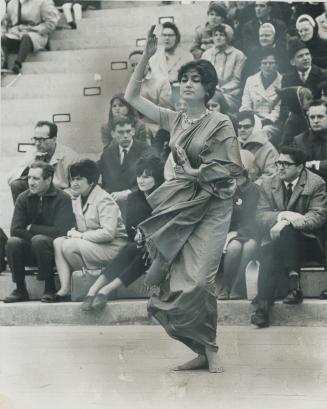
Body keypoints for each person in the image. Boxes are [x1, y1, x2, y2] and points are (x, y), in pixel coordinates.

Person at [124, 26, 243, 373]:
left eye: (196, 80)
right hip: (180, 206)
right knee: (172, 283)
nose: (188, 84)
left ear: (208, 88)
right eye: (184, 79)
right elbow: (131, 97)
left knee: (202, 280)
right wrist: (146, 55)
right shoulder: (174, 118)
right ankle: (200, 349)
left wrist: (199, 173)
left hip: (213, 204)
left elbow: (233, 169)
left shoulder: (221, 122)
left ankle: (211, 346)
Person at [251, 146, 327, 328]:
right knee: (273, 249)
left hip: (307, 243)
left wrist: (286, 222)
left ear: (300, 167)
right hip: (278, 242)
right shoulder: (269, 183)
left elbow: (319, 216)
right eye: (278, 162)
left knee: (285, 236)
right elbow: (260, 215)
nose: (280, 167)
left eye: (286, 164)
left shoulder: (316, 183)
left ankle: (262, 307)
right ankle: (293, 287)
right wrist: (283, 215)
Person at [81, 156, 164, 311]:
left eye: (146, 176)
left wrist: (150, 238)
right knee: (130, 249)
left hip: (163, 245)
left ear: (157, 178)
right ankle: (93, 290)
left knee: (146, 253)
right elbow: (131, 227)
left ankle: (106, 290)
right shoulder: (134, 197)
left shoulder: (165, 197)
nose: (141, 180)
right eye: (139, 176)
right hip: (140, 243)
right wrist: (138, 234)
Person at [52, 159, 128, 302]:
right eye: (72, 179)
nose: (74, 183)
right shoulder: (79, 198)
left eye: (79, 179)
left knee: (69, 246)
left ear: (91, 181)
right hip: (93, 244)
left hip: (112, 247)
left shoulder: (104, 199)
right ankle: (65, 288)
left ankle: (89, 284)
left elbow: (108, 234)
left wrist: (80, 236)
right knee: (58, 242)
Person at [3, 162, 75, 303]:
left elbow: (62, 231)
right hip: (31, 250)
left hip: (53, 252)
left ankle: (49, 287)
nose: (31, 182)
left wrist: (32, 228)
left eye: (36, 179)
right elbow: (15, 230)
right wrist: (36, 236)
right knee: (12, 242)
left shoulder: (63, 198)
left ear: (48, 180)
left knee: (40, 240)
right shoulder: (23, 198)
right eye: (29, 178)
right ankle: (20, 289)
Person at [218, 150, 260, 300]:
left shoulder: (253, 189)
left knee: (250, 246)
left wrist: (238, 233)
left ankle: (237, 286)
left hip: (249, 232)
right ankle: (226, 285)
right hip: (225, 233)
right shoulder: (223, 188)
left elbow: (255, 218)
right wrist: (228, 234)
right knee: (234, 247)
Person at [7, 120, 79, 203]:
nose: (37, 143)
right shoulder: (33, 152)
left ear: (54, 139)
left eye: (41, 139)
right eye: (35, 139)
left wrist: (55, 195)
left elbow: (77, 189)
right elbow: (11, 178)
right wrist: (31, 165)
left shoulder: (71, 157)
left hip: (58, 198)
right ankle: (24, 215)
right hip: (38, 195)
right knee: (17, 184)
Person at [97, 115, 150, 214]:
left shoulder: (144, 150)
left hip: (138, 201)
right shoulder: (108, 152)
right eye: (120, 132)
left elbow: (151, 181)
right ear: (113, 134)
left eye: (128, 131)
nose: (125, 136)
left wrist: (128, 193)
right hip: (112, 203)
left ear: (133, 131)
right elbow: (105, 181)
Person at [1, 0, 59, 74]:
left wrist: (30, 29)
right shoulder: (11, 4)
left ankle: (17, 64)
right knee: (3, 39)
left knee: (27, 37)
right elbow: (7, 23)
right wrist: (12, 29)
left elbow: (51, 23)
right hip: (17, 34)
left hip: (37, 34)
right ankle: (3, 66)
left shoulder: (43, 2)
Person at [202, 23, 246, 112]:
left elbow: (237, 80)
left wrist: (221, 90)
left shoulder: (238, 55)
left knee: (216, 103)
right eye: (215, 35)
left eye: (221, 35)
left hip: (230, 93)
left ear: (228, 37)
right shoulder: (206, 54)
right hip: (209, 91)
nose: (218, 38)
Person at [240, 47, 282, 127]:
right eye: (264, 63)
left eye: (271, 63)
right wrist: (251, 120)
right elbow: (246, 104)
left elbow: (278, 110)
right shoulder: (251, 80)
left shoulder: (283, 82)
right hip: (252, 120)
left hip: (271, 123)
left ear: (277, 65)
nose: (268, 66)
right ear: (259, 65)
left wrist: (265, 122)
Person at [236, 111, 278, 179]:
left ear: (255, 127)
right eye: (239, 126)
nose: (242, 129)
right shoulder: (233, 144)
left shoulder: (268, 148)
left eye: (247, 126)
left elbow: (272, 176)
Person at [294, 100, 327, 183]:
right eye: (312, 117)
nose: (315, 121)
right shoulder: (299, 140)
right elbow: (297, 168)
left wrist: (315, 164)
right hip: (311, 190)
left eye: (320, 116)